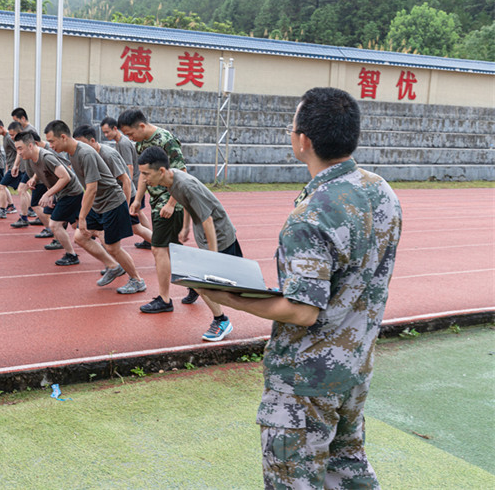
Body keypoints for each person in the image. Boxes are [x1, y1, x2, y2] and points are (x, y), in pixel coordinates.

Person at [199, 87, 402, 488]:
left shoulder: (311, 215)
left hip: (306, 378)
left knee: (293, 479)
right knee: (348, 468)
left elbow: (302, 310)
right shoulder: (382, 191)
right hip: (355, 366)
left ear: (303, 140)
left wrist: (229, 298)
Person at [137, 146, 242, 341]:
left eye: (146, 174)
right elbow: (186, 203)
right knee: (210, 284)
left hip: (219, 236)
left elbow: (208, 219)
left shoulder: (185, 184)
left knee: (233, 290)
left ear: (160, 171)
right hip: (209, 236)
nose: (144, 179)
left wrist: (212, 255)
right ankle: (221, 318)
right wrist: (185, 227)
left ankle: (223, 320)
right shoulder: (172, 179)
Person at [48, 122, 146, 294]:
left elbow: (92, 187)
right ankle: (113, 266)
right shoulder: (72, 154)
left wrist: (83, 216)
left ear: (63, 137)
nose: (51, 146)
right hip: (98, 203)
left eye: (52, 141)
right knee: (80, 236)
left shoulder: (86, 153)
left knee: (113, 247)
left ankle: (137, 280)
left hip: (112, 202)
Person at [117, 108, 188, 314]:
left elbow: (181, 172)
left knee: (158, 249)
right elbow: (143, 174)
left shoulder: (166, 140)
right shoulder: (140, 143)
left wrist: (171, 203)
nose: (130, 138)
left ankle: (165, 299)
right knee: (173, 250)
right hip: (156, 199)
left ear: (141, 126)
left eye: (130, 134)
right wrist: (138, 199)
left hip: (168, 200)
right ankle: (195, 284)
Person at [75, 125, 152, 259]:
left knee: (136, 228)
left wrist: (125, 206)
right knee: (119, 229)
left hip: (124, 196)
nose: (81, 149)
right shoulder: (89, 156)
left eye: (83, 144)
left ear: (92, 141)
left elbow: (126, 181)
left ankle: (164, 247)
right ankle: (113, 262)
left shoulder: (107, 155)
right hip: (109, 198)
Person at [14, 131, 84, 266]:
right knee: (76, 225)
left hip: (71, 192)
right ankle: (98, 234)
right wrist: (34, 179)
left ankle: (72, 255)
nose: (19, 153)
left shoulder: (46, 157)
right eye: (17, 149)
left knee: (54, 224)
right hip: (62, 193)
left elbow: (66, 177)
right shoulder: (32, 158)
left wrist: (48, 194)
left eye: (20, 148)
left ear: (30, 146)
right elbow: (44, 173)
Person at [101, 116, 152, 250]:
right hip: (132, 184)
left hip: (132, 185)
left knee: (136, 219)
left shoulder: (123, 143)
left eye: (107, 132)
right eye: (104, 133)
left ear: (115, 129)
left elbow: (129, 166)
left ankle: (153, 240)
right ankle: (151, 239)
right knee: (138, 215)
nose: (106, 135)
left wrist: (127, 186)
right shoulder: (120, 142)